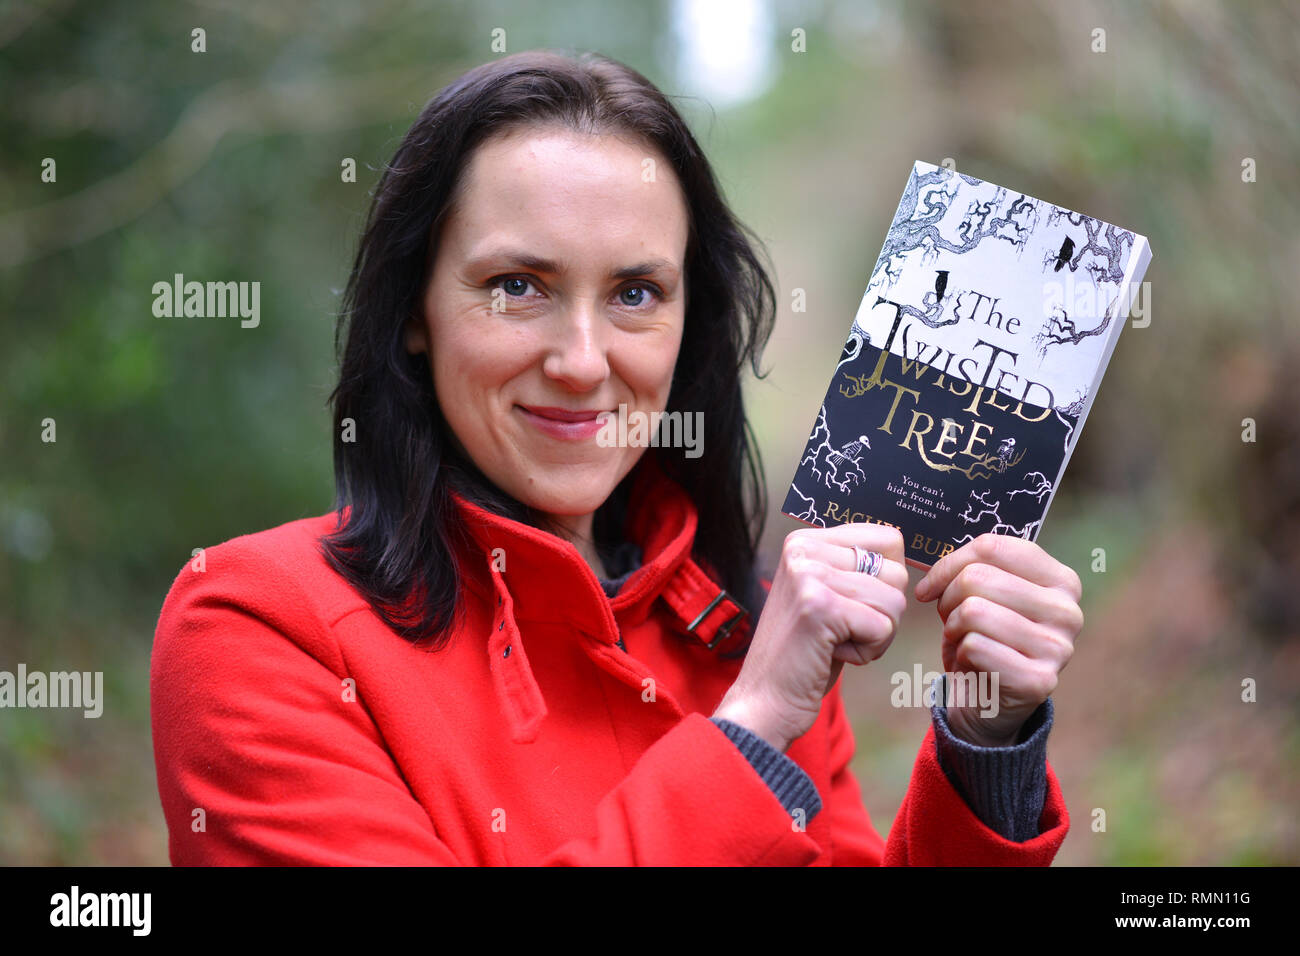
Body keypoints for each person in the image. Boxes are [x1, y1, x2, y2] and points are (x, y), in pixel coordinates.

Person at [151, 49, 1081, 865]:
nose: (584, 362)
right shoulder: (257, 628)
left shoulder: (755, 628)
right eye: (518, 286)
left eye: (636, 293)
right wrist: (749, 735)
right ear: (412, 315)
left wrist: (984, 743)